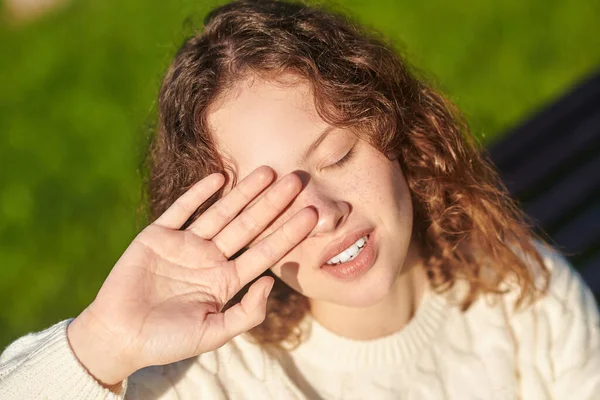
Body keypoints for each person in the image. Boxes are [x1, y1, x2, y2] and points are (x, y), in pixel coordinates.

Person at [1, 0, 599, 398]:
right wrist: (103, 345)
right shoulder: (205, 377)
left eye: (337, 157)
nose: (324, 217)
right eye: (270, 203)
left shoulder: (524, 302)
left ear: (397, 131)